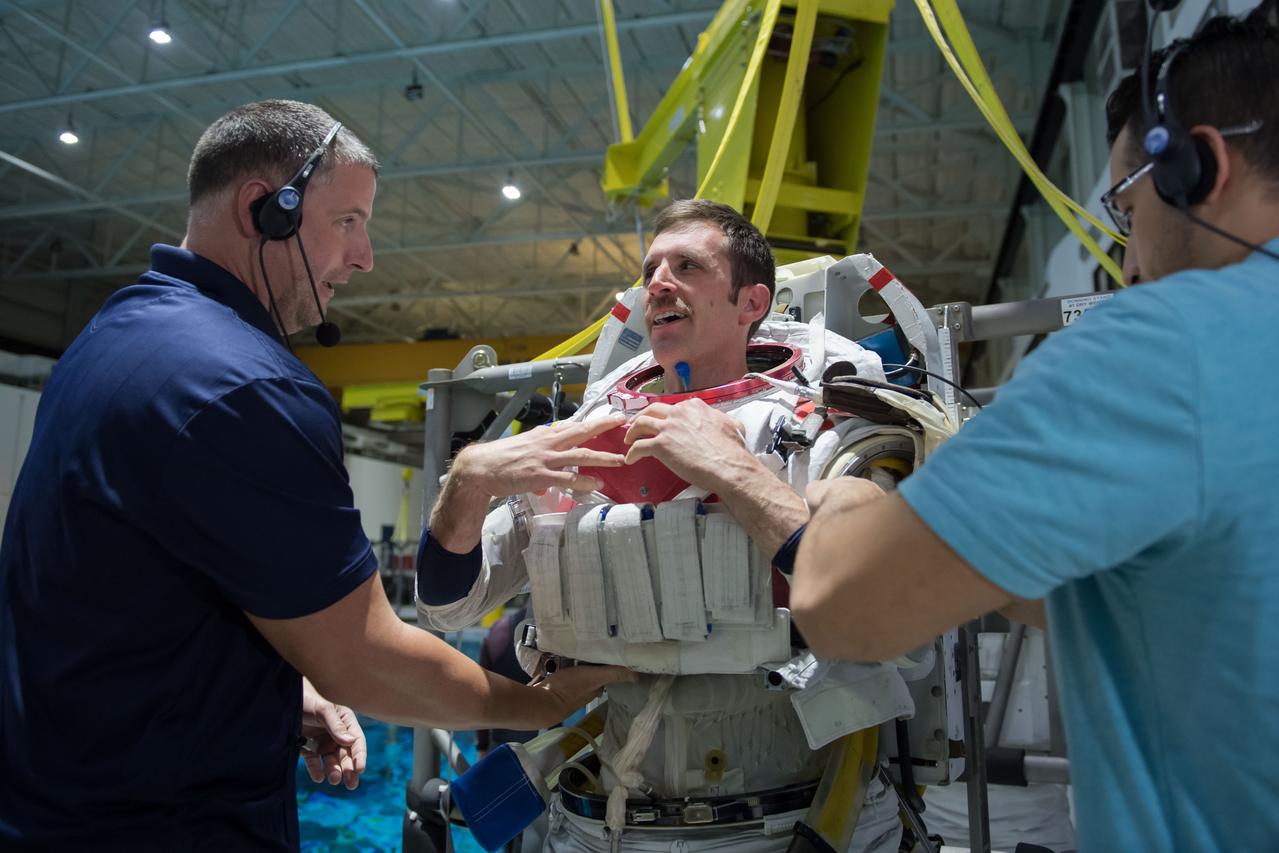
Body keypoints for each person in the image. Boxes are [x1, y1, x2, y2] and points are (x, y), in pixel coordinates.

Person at [0, 99, 628, 851]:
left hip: (51, 796)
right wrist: (539, 703)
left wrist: (279, 689)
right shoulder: (248, 386)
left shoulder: (108, 338)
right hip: (167, 823)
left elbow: (132, 589)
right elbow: (366, 658)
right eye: (347, 223)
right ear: (266, 209)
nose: (365, 258)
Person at [790, 13, 1279, 851]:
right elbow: (1180, 592)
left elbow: (841, 609)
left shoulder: (1164, 343)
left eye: (1126, 209)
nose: (1124, 261)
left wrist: (839, 490)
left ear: (1199, 167)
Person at [417, 199, 904, 852]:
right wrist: (469, 480)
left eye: (687, 265)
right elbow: (447, 604)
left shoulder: (814, 428)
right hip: (603, 825)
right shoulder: (584, 438)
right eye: (650, 269)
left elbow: (874, 601)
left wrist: (732, 469)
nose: (657, 282)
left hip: (789, 822)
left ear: (750, 302)